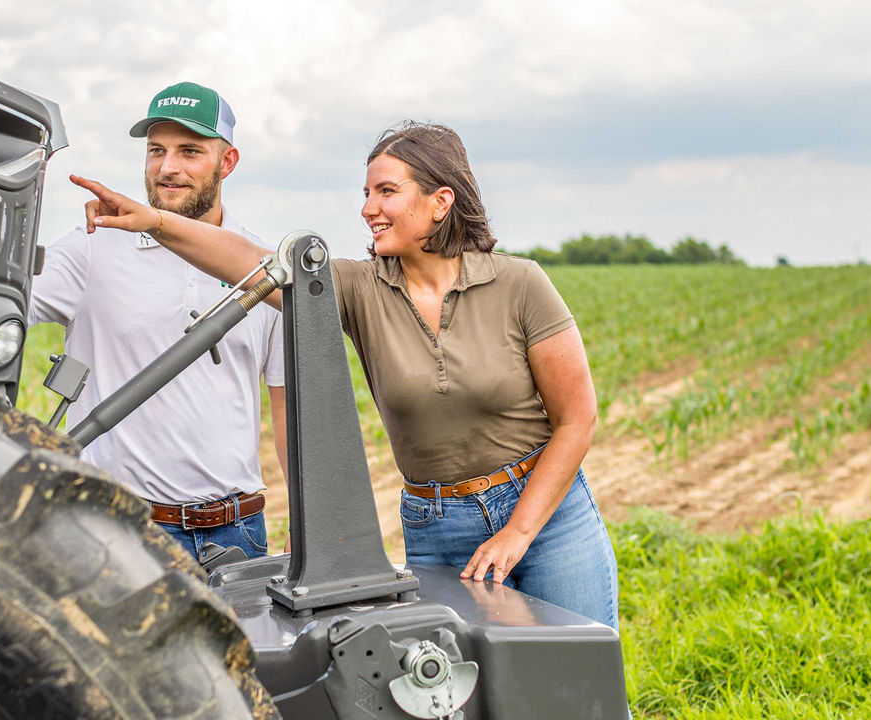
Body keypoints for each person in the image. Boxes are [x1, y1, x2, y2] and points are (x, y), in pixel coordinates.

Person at [66, 121, 620, 630]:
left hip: (549, 514)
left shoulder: (519, 284)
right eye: (365, 194)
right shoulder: (360, 290)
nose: (367, 209)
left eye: (386, 192)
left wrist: (519, 532)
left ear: (439, 202)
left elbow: (577, 419)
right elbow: (254, 263)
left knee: (581, 682)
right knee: (466, 696)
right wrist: (157, 221)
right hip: (438, 524)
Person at [29, 81, 287, 561]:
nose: (168, 168)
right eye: (157, 151)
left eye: (190, 151)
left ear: (227, 162)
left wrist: (308, 526)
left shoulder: (261, 267)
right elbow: (0, 299)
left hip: (237, 535)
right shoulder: (90, 249)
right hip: (117, 532)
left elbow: (288, 411)